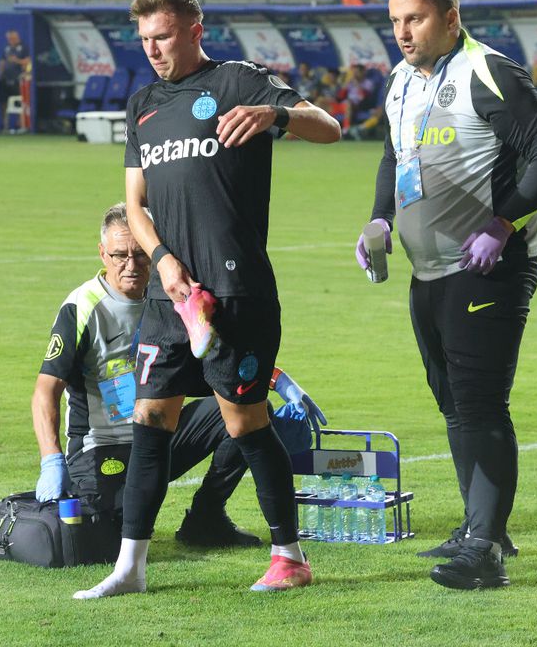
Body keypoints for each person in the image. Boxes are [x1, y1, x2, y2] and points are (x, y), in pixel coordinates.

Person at [73, 0, 340, 600]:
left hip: (236, 292)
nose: (153, 49)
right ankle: (131, 567)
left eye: (163, 36)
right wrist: (163, 262)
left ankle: (289, 556)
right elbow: (135, 205)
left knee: (244, 421)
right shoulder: (142, 105)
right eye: (144, 39)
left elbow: (329, 126)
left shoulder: (239, 82)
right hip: (171, 299)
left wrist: (276, 114)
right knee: (149, 420)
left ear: (195, 31)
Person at [356, 0, 537, 590]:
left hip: (488, 268)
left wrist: (502, 225)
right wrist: (379, 219)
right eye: (395, 21)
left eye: (415, 19)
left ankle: (485, 550)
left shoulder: (490, 72)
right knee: (453, 402)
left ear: (451, 18)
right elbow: (395, 155)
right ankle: (482, 526)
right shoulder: (401, 80)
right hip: (428, 271)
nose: (402, 33)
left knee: (479, 402)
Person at [34, 203, 326, 549]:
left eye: (140, 255)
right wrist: (52, 460)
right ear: (102, 253)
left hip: (159, 433)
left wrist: (277, 381)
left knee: (244, 411)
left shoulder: (172, 296)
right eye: (119, 255)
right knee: (104, 536)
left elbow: (219, 361)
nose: (131, 266)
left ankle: (206, 518)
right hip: (103, 446)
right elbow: (45, 391)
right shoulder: (82, 307)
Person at [0, 30, 30, 130]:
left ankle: (21, 123)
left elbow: (28, 61)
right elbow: (2, 61)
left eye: (12, 38)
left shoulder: (23, 47)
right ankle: (4, 124)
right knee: (3, 102)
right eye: (9, 38)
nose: (11, 40)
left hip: (18, 80)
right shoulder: (7, 48)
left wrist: (17, 60)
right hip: (5, 79)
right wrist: (0, 74)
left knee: (20, 102)